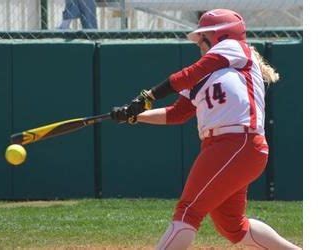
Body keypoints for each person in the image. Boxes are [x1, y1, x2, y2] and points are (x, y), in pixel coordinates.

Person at [110, 9, 301, 250]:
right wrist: (135, 115)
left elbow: (188, 74)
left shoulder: (233, 47)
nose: (199, 43)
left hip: (238, 142)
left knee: (188, 211)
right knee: (233, 227)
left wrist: (148, 96)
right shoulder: (206, 75)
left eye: (203, 37)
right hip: (225, 148)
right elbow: (177, 114)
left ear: (221, 35)